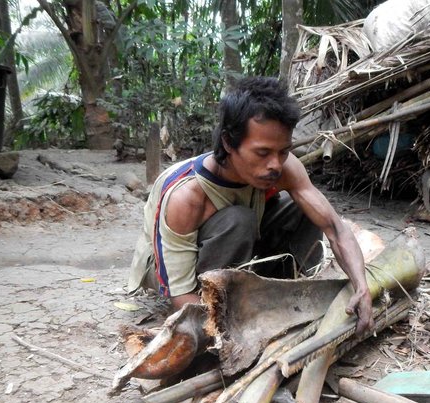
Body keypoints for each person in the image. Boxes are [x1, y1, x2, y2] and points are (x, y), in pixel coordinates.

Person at [128, 76, 373, 334]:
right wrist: (217, 331)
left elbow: (335, 228)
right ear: (228, 142)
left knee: (299, 206)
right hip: (172, 273)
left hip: (239, 247)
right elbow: (179, 295)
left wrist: (362, 287)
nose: (276, 165)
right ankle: (224, 306)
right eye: (262, 153)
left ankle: (294, 291)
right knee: (238, 220)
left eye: (283, 151)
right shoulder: (186, 196)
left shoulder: (283, 167)